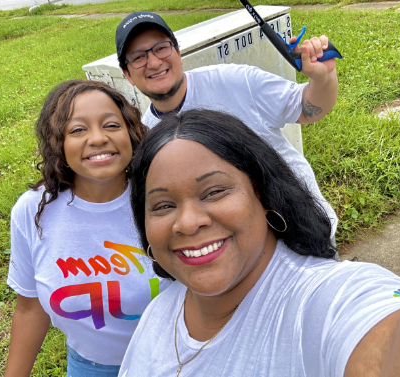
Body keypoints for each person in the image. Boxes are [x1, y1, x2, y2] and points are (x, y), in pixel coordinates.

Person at [119, 109, 400, 377]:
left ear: (264, 196)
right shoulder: (162, 310)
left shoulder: (321, 303)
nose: (187, 222)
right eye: (163, 205)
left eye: (215, 192)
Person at [115, 11, 340, 242]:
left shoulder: (235, 81)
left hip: (302, 229)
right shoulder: (148, 138)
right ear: (127, 75)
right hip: (238, 257)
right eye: (138, 57)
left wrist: (323, 77)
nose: (153, 62)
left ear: (178, 52)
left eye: (161, 48)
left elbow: (306, 108)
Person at [4, 80, 169, 377]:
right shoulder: (32, 212)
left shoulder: (162, 198)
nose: (98, 138)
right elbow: (30, 308)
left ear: (131, 133)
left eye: (111, 125)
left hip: (174, 359)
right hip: (90, 367)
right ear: (58, 142)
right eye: (78, 129)